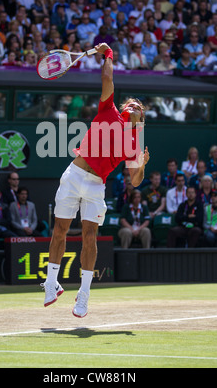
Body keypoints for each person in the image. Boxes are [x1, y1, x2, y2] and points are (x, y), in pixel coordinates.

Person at [41, 42, 150, 318]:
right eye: (132, 103)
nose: (135, 105)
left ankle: (84, 294)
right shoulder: (108, 110)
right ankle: (52, 284)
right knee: (59, 231)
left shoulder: (135, 142)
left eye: (139, 107)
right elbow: (107, 77)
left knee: (90, 237)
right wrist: (109, 53)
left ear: (141, 119)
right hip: (73, 174)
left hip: (95, 186)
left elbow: (135, 181)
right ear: (124, 108)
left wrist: (143, 167)